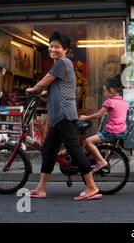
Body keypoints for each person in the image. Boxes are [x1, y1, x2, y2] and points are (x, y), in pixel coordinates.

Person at [25, 31, 101, 201]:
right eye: (51, 46)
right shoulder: (61, 66)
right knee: (49, 149)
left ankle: (91, 187)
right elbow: (52, 88)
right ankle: (41, 188)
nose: (53, 49)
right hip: (59, 116)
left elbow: (45, 81)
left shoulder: (62, 62)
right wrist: (43, 94)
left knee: (74, 149)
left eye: (57, 47)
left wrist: (33, 89)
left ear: (65, 49)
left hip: (65, 115)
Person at [80, 75, 129, 172]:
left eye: (105, 91)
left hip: (112, 131)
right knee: (106, 141)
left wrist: (86, 117)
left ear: (111, 90)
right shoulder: (123, 102)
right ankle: (107, 159)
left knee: (88, 141)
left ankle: (101, 161)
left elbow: (98, 115)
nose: (105, 93)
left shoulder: (110, 102)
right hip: (121, 131)